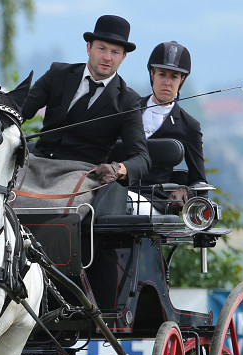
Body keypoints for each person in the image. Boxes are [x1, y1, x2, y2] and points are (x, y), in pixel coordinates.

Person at [19, 14, 150, 216]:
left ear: (123, 57)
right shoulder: (58, 74)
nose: (107, 57)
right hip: (36, 164)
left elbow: (142, 158)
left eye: (115, 52)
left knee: (55, 211)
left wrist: (118, 169)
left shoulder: (128, 100)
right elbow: (19, 112)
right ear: (89, 48)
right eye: (101, 48)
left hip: (81, 174)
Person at [132, 40, 208, 215]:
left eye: (174, 76)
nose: (167, 82)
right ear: (152, 74)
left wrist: (185, 192)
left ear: (182, 80)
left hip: (154, 200)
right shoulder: (129, 108)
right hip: (115, 191)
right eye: (162, 74)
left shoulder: (189, 125)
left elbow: (199, 180)